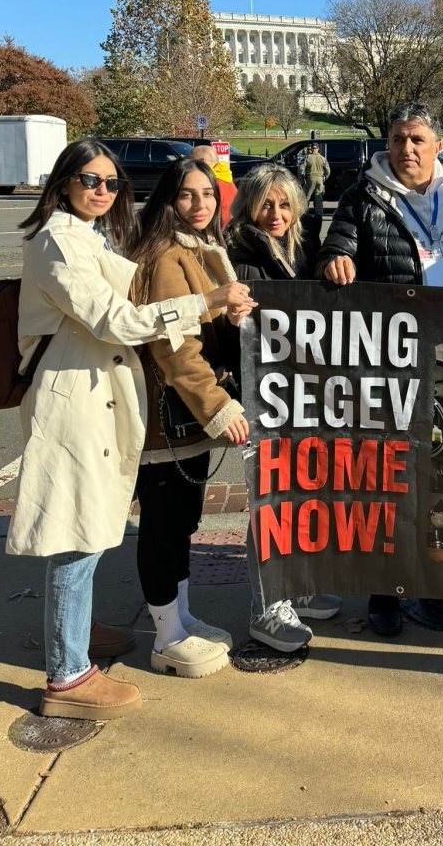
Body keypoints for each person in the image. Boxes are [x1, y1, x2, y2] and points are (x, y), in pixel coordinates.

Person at [8, 138, 252, 718]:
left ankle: (75, 632)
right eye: (90, 180)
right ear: (63, 182)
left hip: (98, 396)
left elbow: (130, 294)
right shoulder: (58, 240)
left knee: (92, 525)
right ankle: (68, 677)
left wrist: (216, 304)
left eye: (112, 183)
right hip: (74, 399)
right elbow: (114, 319)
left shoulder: (89, 236)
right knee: (78, 535)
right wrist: (204, 301)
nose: (102, 191)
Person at [317, 100, 443, 634]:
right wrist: (334, 260)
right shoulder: (364, 195)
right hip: (394, 355)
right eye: (398, 139)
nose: (407, 149)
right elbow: (334, 246)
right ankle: (386, 588)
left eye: (417, 139)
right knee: (389, 474)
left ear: (438, 145)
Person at [130, 158, 260, 679]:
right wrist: (218, 406)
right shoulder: (166, 255)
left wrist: (231, 319)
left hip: (184, 420)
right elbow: (173, 348)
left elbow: (203, 330)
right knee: (163, 525)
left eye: (207, 193)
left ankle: (180, 619)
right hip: (169, 418)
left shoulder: (200, 249)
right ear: (169, 200)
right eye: (187, 194)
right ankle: (166, 637)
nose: (200, 203)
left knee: (182, 520)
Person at [224, 164, 340, 646]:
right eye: (266, 204)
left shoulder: (299, 249)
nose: (276, 214)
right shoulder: (238, 256)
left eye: (285, 204)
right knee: (269, 499)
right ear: (248, 207)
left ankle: (298, 587)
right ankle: (267, 606)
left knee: (302, 493)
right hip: (262, 394)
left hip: (301, 392)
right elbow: (226, 332)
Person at [191, 145, 237, 228]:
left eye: (191, 160)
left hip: (218, 229)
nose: (188, 165)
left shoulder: (209, 183)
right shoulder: (227, 179)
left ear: (201, 161)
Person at [302, 144, 331, 216]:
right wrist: (325, 178)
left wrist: (302, 178)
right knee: (319, 198)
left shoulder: (308, 157)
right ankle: (319, 214)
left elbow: (301, 169)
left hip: (310, 179)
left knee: (307, 197)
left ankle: (304, 214)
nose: (313, 149)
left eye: (314, 148)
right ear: (318, 149)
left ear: (312, 149)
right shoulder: (322, 158)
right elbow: (328, 171)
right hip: (320, 179)